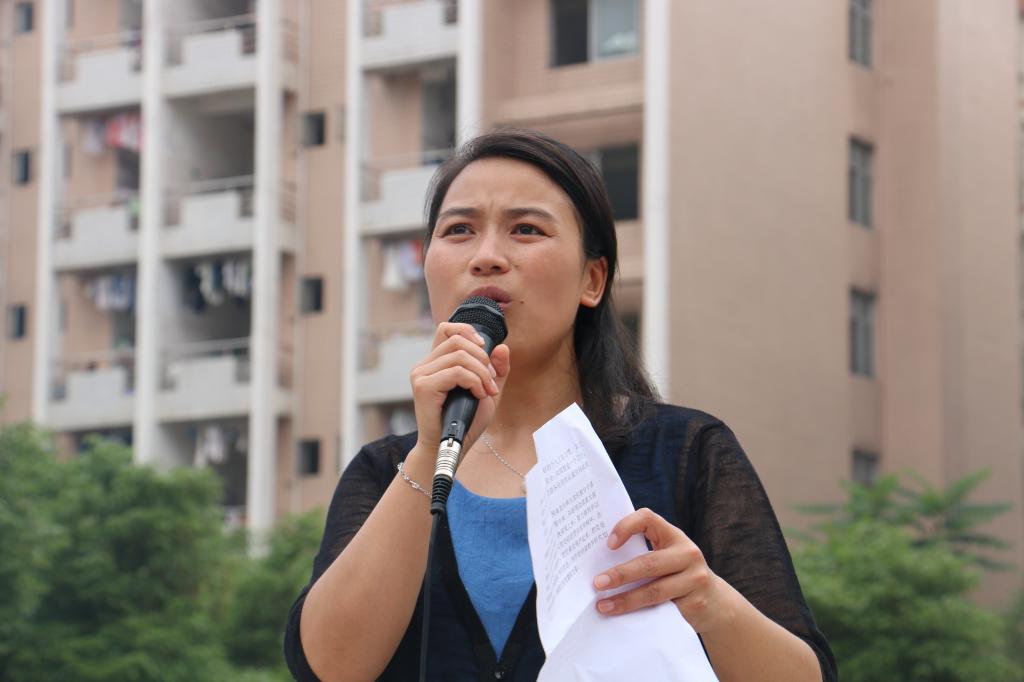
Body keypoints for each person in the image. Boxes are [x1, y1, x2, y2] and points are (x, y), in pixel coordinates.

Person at [284, 130, 837, 681]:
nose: (486, 257)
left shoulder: (685, 453)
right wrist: (432, 451)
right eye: (459, 230)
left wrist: (713, 606)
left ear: (592, 279)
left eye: (526, 229)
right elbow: (329, 669)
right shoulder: (385, 471)